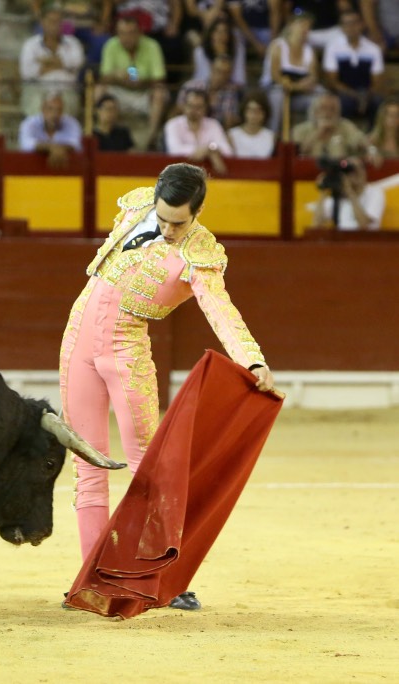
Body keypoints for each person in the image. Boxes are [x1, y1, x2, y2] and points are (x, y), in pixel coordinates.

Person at [58, 162, 275, 611]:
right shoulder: (136, 203)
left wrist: (250, 358)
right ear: (153, 200)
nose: (168, 228)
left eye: (179, 222)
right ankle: (91, 581)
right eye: (162, 218)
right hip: (77, 339)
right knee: (87, 466)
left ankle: (157, 579)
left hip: (126, 350)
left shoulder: (201, 252)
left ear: (197, 213)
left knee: (149, 470)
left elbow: (220, 308)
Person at [94, 13, 169, 151]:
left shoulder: (152, 46)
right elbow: (103, 77)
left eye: (130, 33)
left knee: (160, 92)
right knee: (99, 89)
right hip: (119, 93)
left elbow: (159, 79)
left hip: (143, 92)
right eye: (122, 33)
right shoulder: (111, 45)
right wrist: (116, 76)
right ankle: (101, 132)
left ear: (139, 32)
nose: (126, 38)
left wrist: (141, 81)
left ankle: (151, 138)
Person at [259, 10, 322, 134]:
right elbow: (276, 76)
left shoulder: (309, 51)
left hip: (297, 95)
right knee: (278, 95)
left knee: (320, 97)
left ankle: (310, 136)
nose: (305, 29)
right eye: (302, 24)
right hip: (273, 91)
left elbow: (312, 78)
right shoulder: (278, 46)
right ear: (291, 25)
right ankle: (273, 134)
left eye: (308, 26)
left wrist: (301, 86)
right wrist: (296, 86)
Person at [321, 8, 385, 129]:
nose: (351, 27)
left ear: (361, 24)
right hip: (344, 92)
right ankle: (343, 138)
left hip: (366, 92)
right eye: (346, 24)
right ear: (341, 27)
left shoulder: (373, 49)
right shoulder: (333, 47)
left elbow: (377, 82)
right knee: (342, 103)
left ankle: (372, 139)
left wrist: (365, 96)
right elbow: (332, 81)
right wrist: (355, 95)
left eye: (354, 23)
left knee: (379, 103)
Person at [18, 4, 85, 117]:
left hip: (66, 89)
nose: (55, 25)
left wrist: (45, 63)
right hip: (38, 89)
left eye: (58, 21)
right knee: (34, 104)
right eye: (51, 21)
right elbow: (26, 73)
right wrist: (61, 65)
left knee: (69, 105)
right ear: (42, 23)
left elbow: (77, 62)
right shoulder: (30, 44)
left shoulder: (73, 43)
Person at [163, 88, 233, 175]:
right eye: (190, 106)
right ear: (184, 106)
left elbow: (227, 151)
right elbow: (174, 150)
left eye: (198, 107)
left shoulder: (213, 124)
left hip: (209, 176)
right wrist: (206, 151)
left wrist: (210, 148)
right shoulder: (173, 124)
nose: (193, 110)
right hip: (179, 174)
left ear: (206, 108)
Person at [291, 90, 369, 161]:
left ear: (338, 112)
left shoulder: (345, 126)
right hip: (308, 172)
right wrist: (318, 133)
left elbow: (360, 141)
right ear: (315, 111)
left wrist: (371, 150)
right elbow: (296, 153)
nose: (328, 113)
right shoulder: (300, 130)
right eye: (323, 108)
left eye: (332, 109)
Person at [312, 157, 385, 231]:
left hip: (365, 240)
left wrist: (350, 192)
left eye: (357, 170)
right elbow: (317, 224)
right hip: (342, 240)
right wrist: (323, 193)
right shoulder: (338, 194)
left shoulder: (374, 192)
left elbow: (364, 225)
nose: (354, 175)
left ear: (364, 172)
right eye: (349, 172)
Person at [18, 90, 83, 169]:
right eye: (50, 109)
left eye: (59, 110)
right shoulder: (29, 124)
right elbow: (26, 144)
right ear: (42, 109)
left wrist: (55, 148)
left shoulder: (71, 123)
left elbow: (77, 144)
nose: (55, 114)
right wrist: (52, 148)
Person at [177, 53, 242, 130]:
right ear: (212, 68)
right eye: (218, 70)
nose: (221, 76)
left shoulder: (231, 91)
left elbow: (229, 120)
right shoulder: (190, 86)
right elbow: (178, 111)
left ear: (230, 74)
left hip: (215, 132)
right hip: (189, 128)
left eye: (225, 73)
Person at [190, 15, 246, 88]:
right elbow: (204, 78)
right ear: (211, 34)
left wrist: (224, 56)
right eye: (217, 31)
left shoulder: (238, 49)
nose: (221, 35)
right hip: (204, 89)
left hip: (230, 90)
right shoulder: (200, 51)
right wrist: (219, 56)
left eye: (225, 31)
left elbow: (240, 79)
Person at [227, 90, 276, 158]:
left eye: (258, 111)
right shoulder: (232, 135)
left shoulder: (271, 136)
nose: (253, 115)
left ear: (265, 113)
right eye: (250, 110)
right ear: (244, 111)